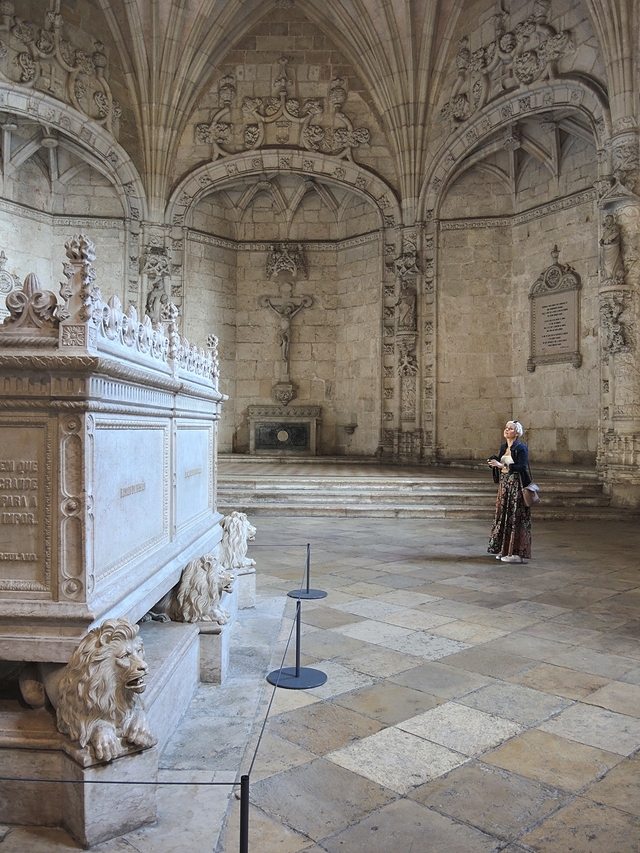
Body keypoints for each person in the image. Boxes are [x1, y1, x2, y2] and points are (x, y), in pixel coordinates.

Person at [487, 420, 531, 563]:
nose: (507, 430)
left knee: (514, 517)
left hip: (516, 487)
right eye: (506, 428)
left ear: (517, 433)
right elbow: (501, 465)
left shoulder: (521, 448)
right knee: (503, 516)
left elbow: (522, 467)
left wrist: (503, 465)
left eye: (510, 429)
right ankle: (504, 549)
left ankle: (516, 553)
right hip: (504, 486)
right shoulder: (504, 446)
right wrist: (494, 463)